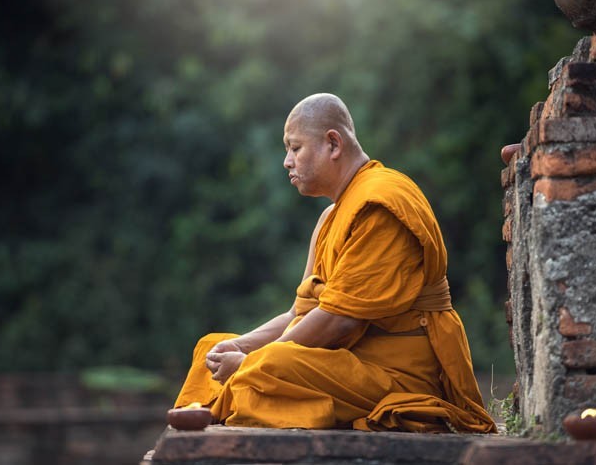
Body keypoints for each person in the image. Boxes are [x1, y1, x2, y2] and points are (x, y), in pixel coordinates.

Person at [174, 93, 496, 433]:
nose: (287, 161)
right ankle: (222, 404)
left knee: (270, 364)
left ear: (333, 144)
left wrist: (249, 363)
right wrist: (241, 346)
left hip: (396, 374)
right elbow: (297, 316)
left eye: (295, 148)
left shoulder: (380, 203)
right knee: (212, 346)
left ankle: (221, 405)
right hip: (345, 361)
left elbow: (338, 321)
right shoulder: (331, 216)